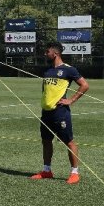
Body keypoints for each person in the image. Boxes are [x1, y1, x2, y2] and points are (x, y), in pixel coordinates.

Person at [31, 42, 89, 184]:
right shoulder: (47, 70)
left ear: (55, 53)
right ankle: (46, 170)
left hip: (60, 112)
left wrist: (71, 100)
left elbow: (85, 85)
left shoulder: (69, 70)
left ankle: (74, 173)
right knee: (46, 141)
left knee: (68, 142)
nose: (45, 54)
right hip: (46, 112)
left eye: (47, 51)